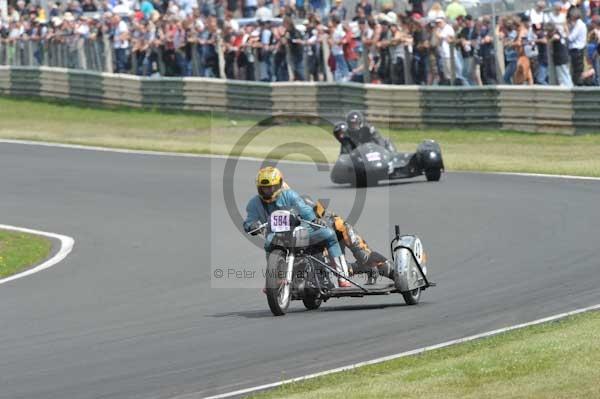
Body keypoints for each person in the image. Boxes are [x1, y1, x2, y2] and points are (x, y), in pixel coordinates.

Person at [243, 167, 352, 287]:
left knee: (329, 234)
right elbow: (249, 220)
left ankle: (342, 276)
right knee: (268, 244)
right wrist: (251, 225)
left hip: (297, 233)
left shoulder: (290, 195)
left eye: (271, 187)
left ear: (279, 185)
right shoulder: (254, 203)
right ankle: (273, 280)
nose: (267, 191)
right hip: (275, 236)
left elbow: (304, 209)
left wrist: (314, 220)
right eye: (264, 188)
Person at [301, 195, 395, 285]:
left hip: (338, 238)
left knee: (363, 255)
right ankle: (363, 268)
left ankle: (392, 271)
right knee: (341, 269)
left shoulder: (329, 221)